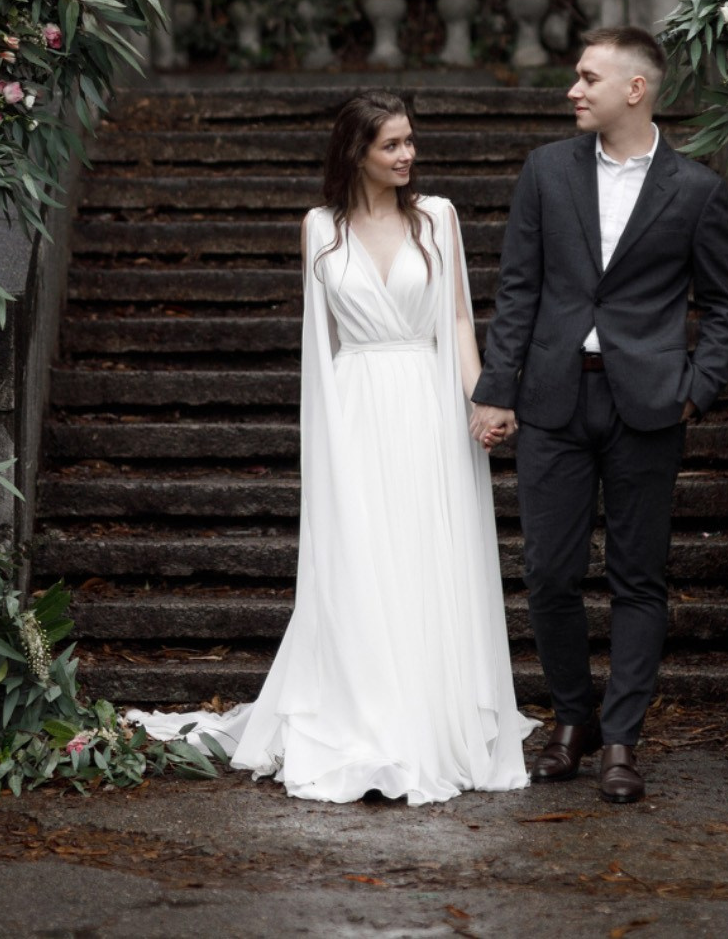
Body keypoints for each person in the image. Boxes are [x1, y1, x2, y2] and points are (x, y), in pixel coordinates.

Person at [129, 91, 534, 803]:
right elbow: (323, 346)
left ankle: (435, 714)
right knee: (363, 557)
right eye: (392, 145)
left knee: (428, 555)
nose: (407, 155)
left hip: (428, 400)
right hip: (356, 405)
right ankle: (365, 714)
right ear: (357, 152)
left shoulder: (439, 217)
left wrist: (481, 398)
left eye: (411, 141)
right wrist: (329, 446)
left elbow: (461, 318)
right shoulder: (320, 229)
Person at [469, 26, 728, 805]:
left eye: (589, 77)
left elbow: (725, 306)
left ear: (636, 89)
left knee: (636, 578)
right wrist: (497, 386)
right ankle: (573, 720)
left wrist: (696, 386)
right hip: (554, 397)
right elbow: (519, 287)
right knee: (549, 573)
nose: (573, 90)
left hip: (649, 403)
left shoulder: (696, 189)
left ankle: (622, 737)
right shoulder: (547, 171)